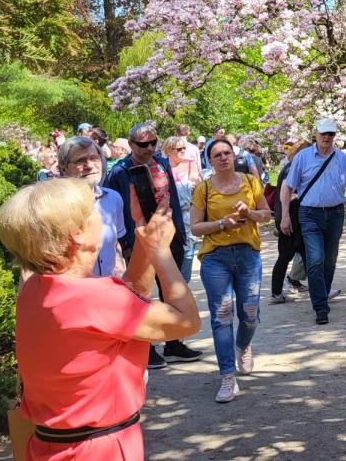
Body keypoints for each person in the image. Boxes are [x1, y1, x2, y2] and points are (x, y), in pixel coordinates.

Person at [2, 180, 200, 461]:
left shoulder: (35, 288)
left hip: (50, 446)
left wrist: (144, 241)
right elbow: (187, 322)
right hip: (100, 449)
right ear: (77, 235)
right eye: (93, 210)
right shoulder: (95, 298)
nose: (101, 214)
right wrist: (161, 252)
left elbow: (129, 301)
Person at [104, 123, 203, 369]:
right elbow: (119, 211)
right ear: (131, 145)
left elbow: (174, 198)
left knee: (172, 287)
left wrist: (180, 232)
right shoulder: (120, 171)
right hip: (139, 240)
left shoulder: (161, 163)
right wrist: (127, 243)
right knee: (141, 292)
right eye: (142, 144)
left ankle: (173, 342)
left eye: (153, 142)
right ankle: (146, 346)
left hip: (169, 235)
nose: (149, 148)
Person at [189, 138, 273, 402]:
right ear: (210, 160)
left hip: (248, 255)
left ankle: (244, 345)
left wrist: (249, 212)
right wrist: (222, 224)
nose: (224, 157)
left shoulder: (250, 182)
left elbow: (266, 215)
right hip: (216, 258)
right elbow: (195, 228)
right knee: (222, 315)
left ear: (233, 155)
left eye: (227, 152)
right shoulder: (203, 189)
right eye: (217, 154)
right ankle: (227, 376)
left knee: (250, 314)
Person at [279, 118, 346, 325]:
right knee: (315, 258)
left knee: (329, 260)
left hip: (335, 214)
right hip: (309, 214)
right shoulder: (302, 158)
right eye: (323, 133)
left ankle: (323, 293)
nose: (327, 138)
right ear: (316, 133)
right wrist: (284, 216)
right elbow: (287, 187)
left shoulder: (342, 159)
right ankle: (320, 306)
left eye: (331, 134)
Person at [57, 136, 126, 278]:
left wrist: (119, 270)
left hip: (110, 287)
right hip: (75, 292)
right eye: (80, 161)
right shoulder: (54, 207)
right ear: (64, 169)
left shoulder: (113, 199)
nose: (90, 165)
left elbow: (115, 242)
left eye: (95, 158)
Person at [270, 141, 310, 303]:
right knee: (306, 255)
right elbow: (286, 194)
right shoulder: (291, 170)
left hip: (286, 217)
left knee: (288, 256)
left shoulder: (290, 167)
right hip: (291, 218)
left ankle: (276, 293)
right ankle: (322, 290)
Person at [162, 136, 201, 282]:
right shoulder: (164, 166)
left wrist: (177, 187)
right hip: (168, 213)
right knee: (169, 248)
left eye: (184, 148)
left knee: (188, 249)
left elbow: (194, 182)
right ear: (168, 150)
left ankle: (185, 281)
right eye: (179, 149)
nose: (183, 151)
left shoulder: (190, 164)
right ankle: (172, 280)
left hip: (187, 212)